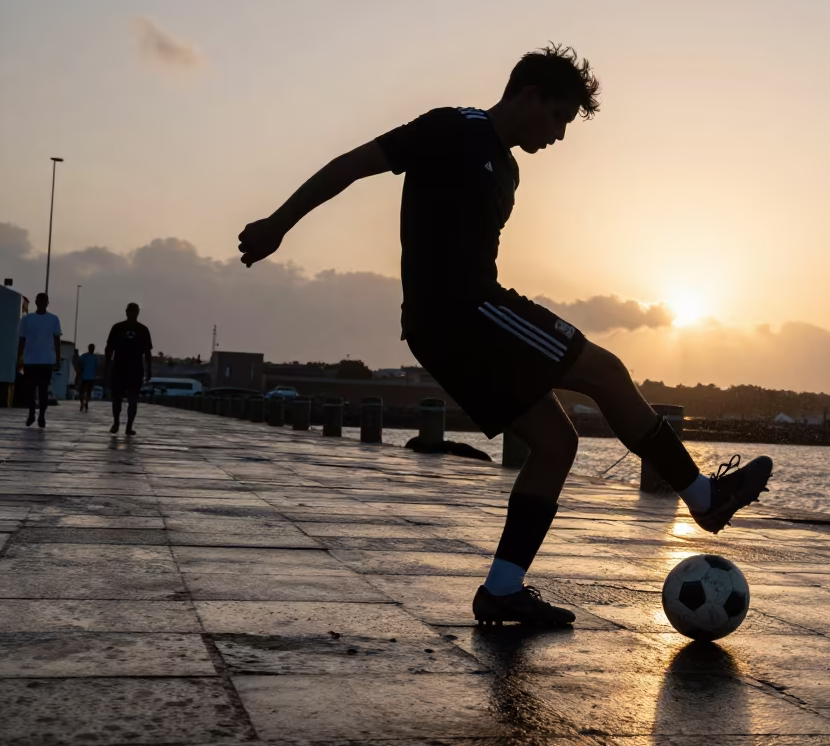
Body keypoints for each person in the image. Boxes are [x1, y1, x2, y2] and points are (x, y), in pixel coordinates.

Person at [238, 44, 773, 626]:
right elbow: (351, 164)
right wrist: (278, 224)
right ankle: (703, 497)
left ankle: (501, 589)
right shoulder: (452, 128)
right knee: (606, 371)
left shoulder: (509, 170)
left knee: (557, 443)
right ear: (529, 96)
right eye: (559, 117)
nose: (560, 135)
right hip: (463, 313)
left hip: (453, 325)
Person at [104, 303, 152, 436]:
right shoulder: (117, 328)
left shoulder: (143, 329)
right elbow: (109, 348)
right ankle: (116, 422)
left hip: (135, 369)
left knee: (133, 400)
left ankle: (129, 426)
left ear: (138, 312)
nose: (132, 313)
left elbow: (147, 352)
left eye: (134, 311)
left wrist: (149, 369)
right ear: (126, 312)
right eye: (130, 311)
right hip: (119, 367)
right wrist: (108, 365)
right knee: (116, 398)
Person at [16, 293, 61, 428]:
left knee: (43, 391)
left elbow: (57, 341)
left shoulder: (53, 319)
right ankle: (32, 413)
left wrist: (57, 359)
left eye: (44, 301)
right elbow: (22, 340)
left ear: (47, 303)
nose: (42, 303)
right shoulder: (27, 319)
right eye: (39, 301)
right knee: (30, 390)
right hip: (30, 360)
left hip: (46, 361)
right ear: (36, 302)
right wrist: (19, 358)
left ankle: (41, 415)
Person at [78, 343, 101, 411]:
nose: (92, 349)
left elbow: (96, 367)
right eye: (91, 348)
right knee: (83, 392)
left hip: (89, 377)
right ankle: (83, 403)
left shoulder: (93, 357)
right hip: (86, 377)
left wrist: (97, 374)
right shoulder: (85, 356)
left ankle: (85, 403)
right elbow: (80, 364)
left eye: (93, 348)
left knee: (87, 392)